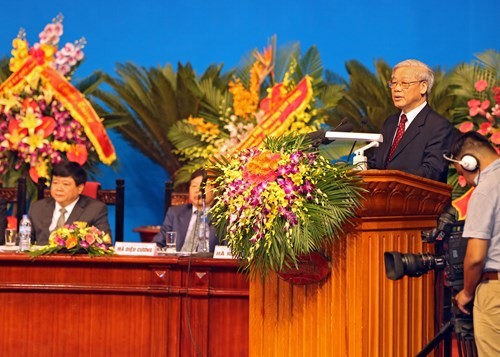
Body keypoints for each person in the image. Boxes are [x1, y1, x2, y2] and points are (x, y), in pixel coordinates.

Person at [448, 132, 500, 356]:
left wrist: (467, 292)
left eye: (462, 174)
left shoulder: (486, 188)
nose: (467, 182)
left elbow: (476, 256)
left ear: (470, 162)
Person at [368, 59, 455, 182]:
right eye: (393, 83)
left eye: (404, 83)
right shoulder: (390, 123)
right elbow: (376, 163)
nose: (396, 89)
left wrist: (391, 179)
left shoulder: (439, 126)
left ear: (423, 87)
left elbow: (433, 171)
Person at [28, 161, 112, 245]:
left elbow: (105, 243)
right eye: (55, 183)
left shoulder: (95, 210)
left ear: (80, 188)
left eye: (65, 184)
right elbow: (23, 242)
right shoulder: (37, 208)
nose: (59, 188)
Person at [153, 169, 218, 252]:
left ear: (216, 190)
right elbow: (158, 243)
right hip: (177, 263)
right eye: (194, 186)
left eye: (203, 185)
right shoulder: (175, 213)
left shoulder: (222, 217)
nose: (198, 190)